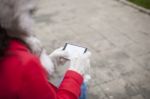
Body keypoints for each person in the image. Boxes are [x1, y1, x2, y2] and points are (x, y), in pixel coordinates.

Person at [0, 0, 91, 99]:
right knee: (81, 86)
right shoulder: (25, 63)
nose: (32, 21)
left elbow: (23, 85)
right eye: (30, 13)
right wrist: (75, 73)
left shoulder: (5, 47)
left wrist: (44, 67)